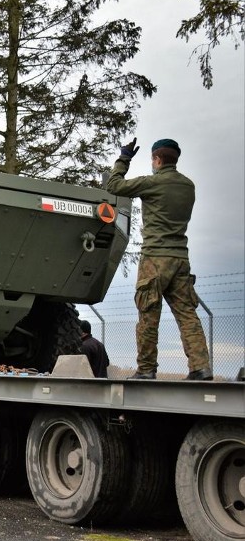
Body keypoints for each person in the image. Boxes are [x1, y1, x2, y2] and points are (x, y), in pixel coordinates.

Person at [106, 138, 212, 381]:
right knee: (187, 315)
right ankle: (201, 367)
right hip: (181, 258)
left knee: (148, 315)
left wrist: (124, 158)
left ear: (157, 159)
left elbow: (114, 185)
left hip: (155, 258)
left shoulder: (151, 182)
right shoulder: (189, 186)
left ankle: (146, 369)